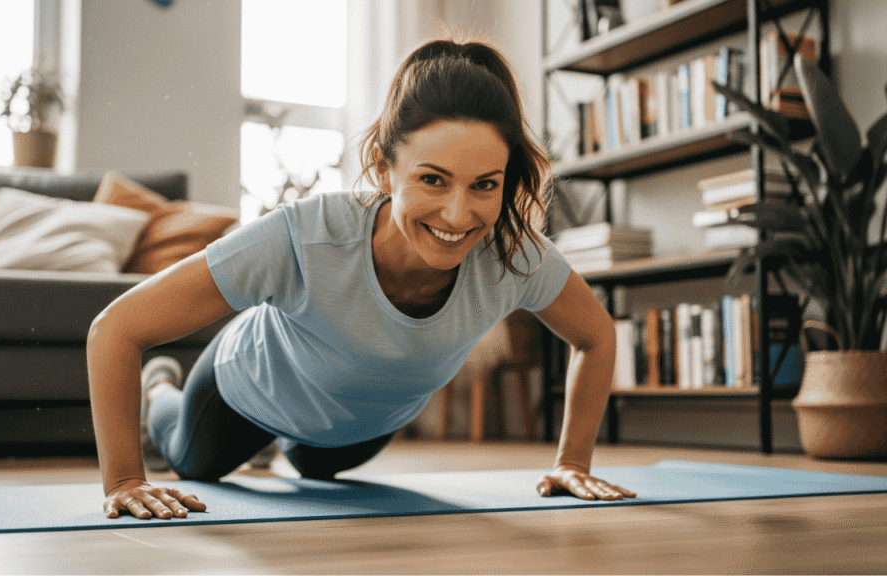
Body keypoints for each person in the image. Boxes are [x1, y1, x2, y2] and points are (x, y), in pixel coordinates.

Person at [87, 38, 636, 521]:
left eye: (485, 185)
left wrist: (572, 463)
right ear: (382, 166)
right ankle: (161, 387)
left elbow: (596, 335)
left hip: (356, 432)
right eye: (432, 179)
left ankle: (282, 448)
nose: (457, 214)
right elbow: (115, 328)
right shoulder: (303, 236)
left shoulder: (515, 256)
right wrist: (124, 481)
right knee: (191, 460)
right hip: (248, 394)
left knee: (318, 475)